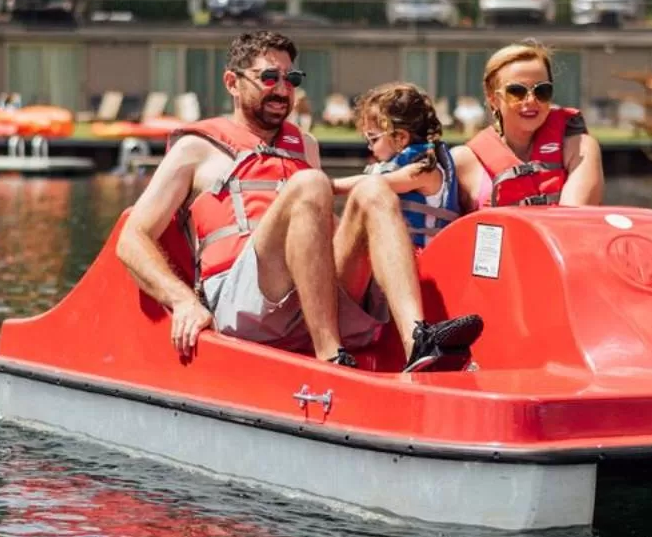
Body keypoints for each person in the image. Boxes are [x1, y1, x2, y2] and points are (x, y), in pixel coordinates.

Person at [117, 30, 481, 372]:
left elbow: (319, 227)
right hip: (245, 304)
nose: (282, 90)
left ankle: (416, 340)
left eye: (291, 80)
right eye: (269, 78)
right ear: (232, 82)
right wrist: (182, 302)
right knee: (310, 182)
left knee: (373, 189)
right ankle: (329, 357)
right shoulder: (195, 149)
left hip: (314, 293)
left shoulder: (305, 145)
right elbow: (132, 238)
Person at [453, 42, 604, 210]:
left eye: (542, 91)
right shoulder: (463, 161)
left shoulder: (580, 148)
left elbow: (572, 223)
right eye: (516, 91)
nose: (531, 101)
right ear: (493, 99)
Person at [340, 82, 460, 249]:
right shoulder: (394, 166)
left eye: (373, 139)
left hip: (421, 263)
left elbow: (376, 185)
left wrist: (329, 186)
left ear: (400, 138)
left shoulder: (424, 170)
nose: (369, 147)